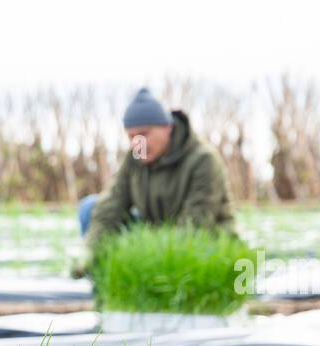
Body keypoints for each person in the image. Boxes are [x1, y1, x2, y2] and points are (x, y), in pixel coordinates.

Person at [74, 87, 237, 274]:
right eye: (131, 136)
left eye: (143, 134)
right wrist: (90, 248)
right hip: (156, 235)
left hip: (205, 240)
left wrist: (151, 257)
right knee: (90, 207)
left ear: (167, 127)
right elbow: (112, 203)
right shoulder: (135, 158)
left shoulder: (203, 160)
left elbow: (196, 223)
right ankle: (104, 283)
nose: (137, 143)